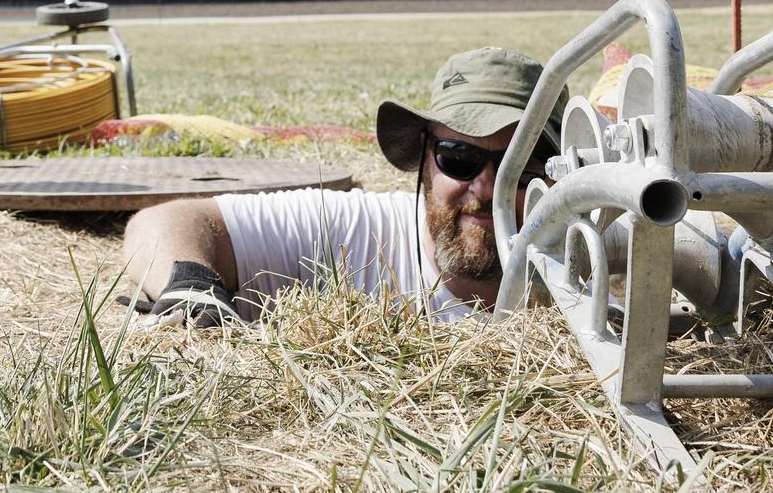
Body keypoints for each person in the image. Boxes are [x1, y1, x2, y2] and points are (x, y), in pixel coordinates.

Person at [122, 47, 563, 325]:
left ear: (562, 173)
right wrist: (190, 289)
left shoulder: (594, 257)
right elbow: (166, 222)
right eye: (460, 160)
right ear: (425, 160)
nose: (487, 190)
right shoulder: (358, 232)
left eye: (521, 165)